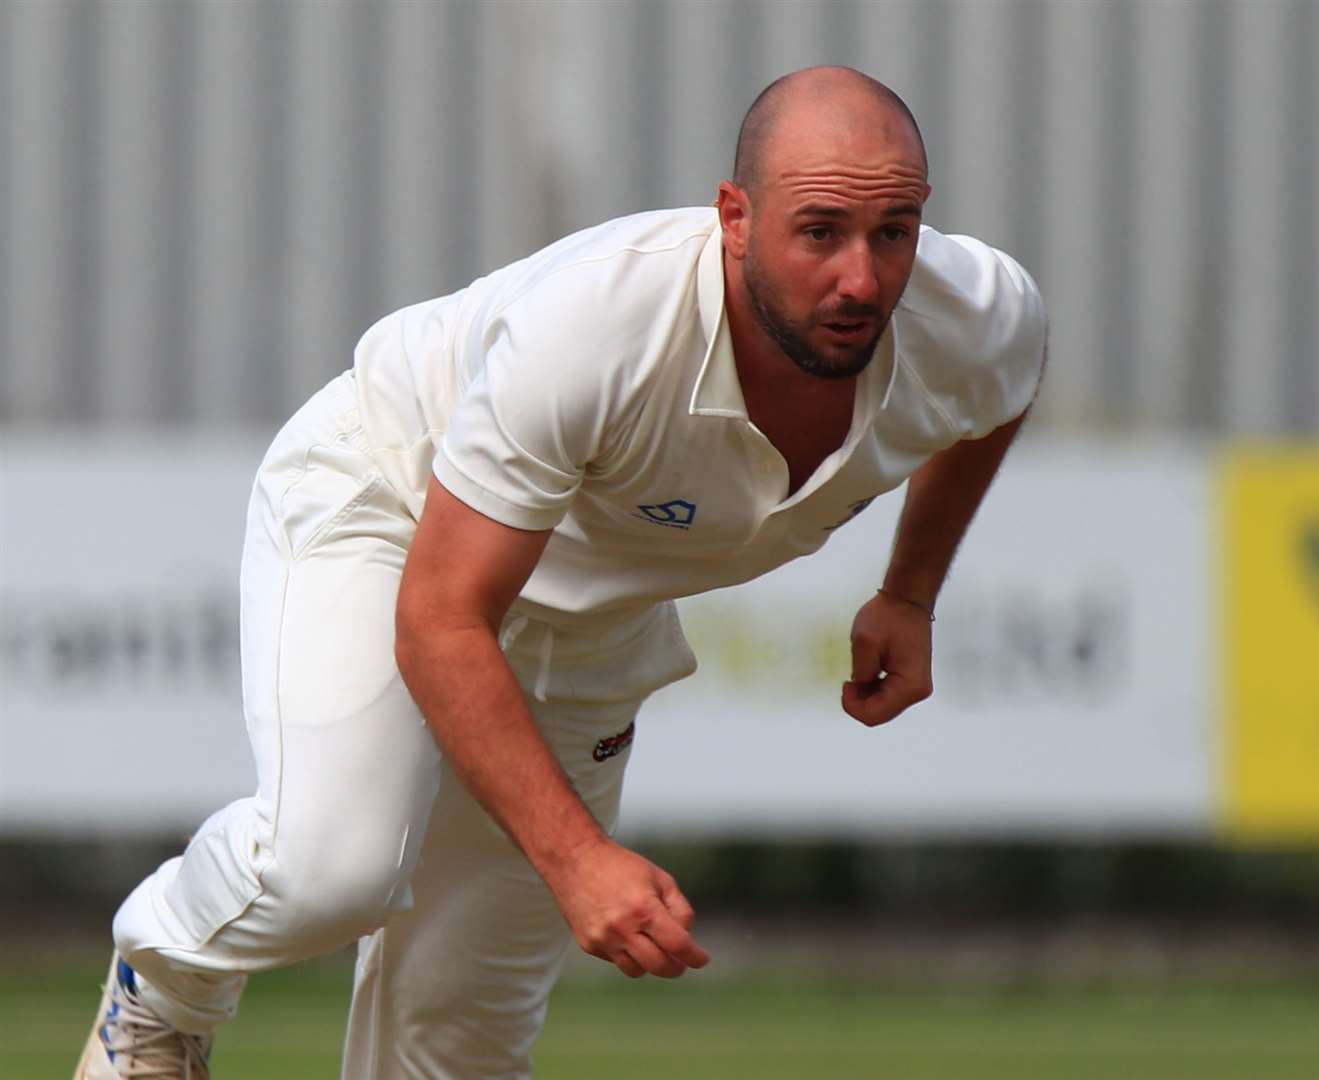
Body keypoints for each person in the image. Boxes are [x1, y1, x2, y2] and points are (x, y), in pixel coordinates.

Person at [76, 65, 1046, 1079]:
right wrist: (578, 861)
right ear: (733, 217)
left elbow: (1001, 387)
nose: (861, 279)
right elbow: (441, 618)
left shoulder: (972, 315)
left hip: (590, 612)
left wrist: (910, 591)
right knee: (333, 868)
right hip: (394, 511)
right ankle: (162, 981)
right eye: (819, 232)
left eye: (893, 231)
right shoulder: (597, 327)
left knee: (459, 1039)